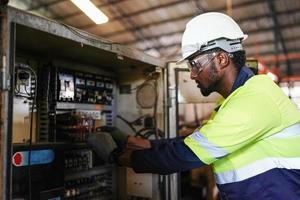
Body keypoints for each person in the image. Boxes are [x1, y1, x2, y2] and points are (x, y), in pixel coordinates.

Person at [87, 12, 300, 199]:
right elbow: (198, 140)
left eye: (195, 64)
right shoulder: (238, 99)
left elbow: (186, 154)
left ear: (222, 59)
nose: (192, 74)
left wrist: (117, 156)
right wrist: (139, 143)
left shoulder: (254, 100)